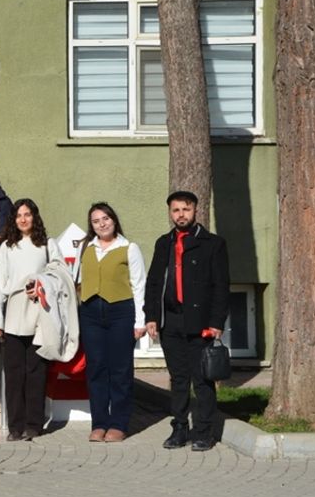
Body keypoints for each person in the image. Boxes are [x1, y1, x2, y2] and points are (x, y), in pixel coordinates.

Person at [145, 191, 230, 451]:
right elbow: (154, 282)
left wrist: (216, 322)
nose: (181, 215)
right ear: (170, 213)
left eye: (186, 209)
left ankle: (204, 431)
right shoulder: (164, 243)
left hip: (200, 322)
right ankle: (180, 429)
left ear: (195, 211)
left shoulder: (213, 244)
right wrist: (151, 316)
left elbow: (221, 286)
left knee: (202, 380)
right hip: (171, 321)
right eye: (176, 210)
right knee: (178, 379)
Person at [0, 199, 62, 442]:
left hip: (41, 310)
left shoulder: (48, 245)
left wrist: (42, 284)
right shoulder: (7, 247)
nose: (23, 219)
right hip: (14, 312)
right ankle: (15, 426)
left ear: (35, 216)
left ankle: (34, 424)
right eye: (19, 215)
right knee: (14, 373)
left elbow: (61, 275)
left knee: (36, 371)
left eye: (27, 214)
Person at [74, 203, 146, 443]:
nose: (101, 224)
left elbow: (139, 285)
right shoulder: (86, 247)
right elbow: (76, 280)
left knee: (120, 369)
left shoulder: (129, 248)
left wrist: (140, 321)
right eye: (96, 221)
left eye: (105, 218)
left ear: (114, 220)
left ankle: (119, 423)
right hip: (90, 313)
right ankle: (99, 423)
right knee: (96, 368)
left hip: (121, 312)